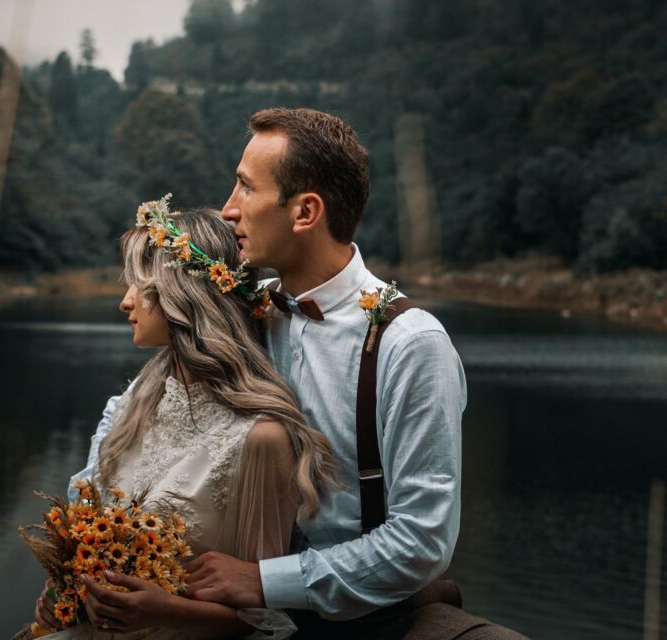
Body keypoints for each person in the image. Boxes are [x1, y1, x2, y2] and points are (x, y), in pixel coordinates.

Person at [57, 108, 528, 639]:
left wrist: (264, 580)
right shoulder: (234, 315)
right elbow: (143, 417)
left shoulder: (408, 345)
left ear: (305, 212)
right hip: (218, 610)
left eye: (244, 189)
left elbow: (421, 543)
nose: (228, 210)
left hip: (364, 619)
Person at [31, 203, 337, 639]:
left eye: (140, 285)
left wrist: (166, 612)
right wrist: (65, 592)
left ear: (181, 294)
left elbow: (264, 620)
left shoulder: (261, 438)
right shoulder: (136, 400)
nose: (125, 301)